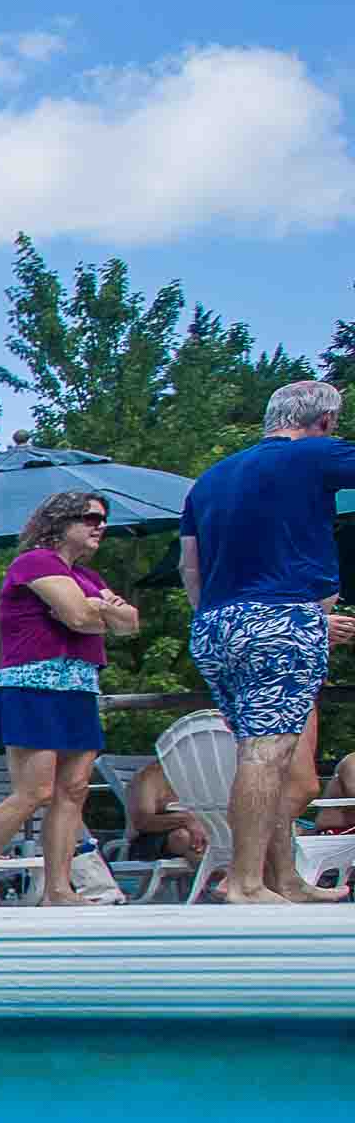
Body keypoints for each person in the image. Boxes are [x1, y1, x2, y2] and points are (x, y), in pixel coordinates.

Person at [181, 380, 355, 905]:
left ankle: (285, 880)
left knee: (264, 752)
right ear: (324, 422)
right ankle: (245, 881)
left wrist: (219, 616)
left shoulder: (210, 480)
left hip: (214, 622)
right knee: (267, 751)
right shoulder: (314, 455)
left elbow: (191, 565)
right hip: (279, 618)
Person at [0, 488, 139, 907]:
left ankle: (59, 888)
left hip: (79, 687)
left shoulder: (87, 578)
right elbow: (78, 619)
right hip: (33, 685)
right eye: (92, 519)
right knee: (34, 791)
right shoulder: (35, 562)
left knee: (73, 790)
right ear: (62, 522)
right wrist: (97, 612)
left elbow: (128, 623)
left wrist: (97, 608)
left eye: (103, 520)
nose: (101, 528)